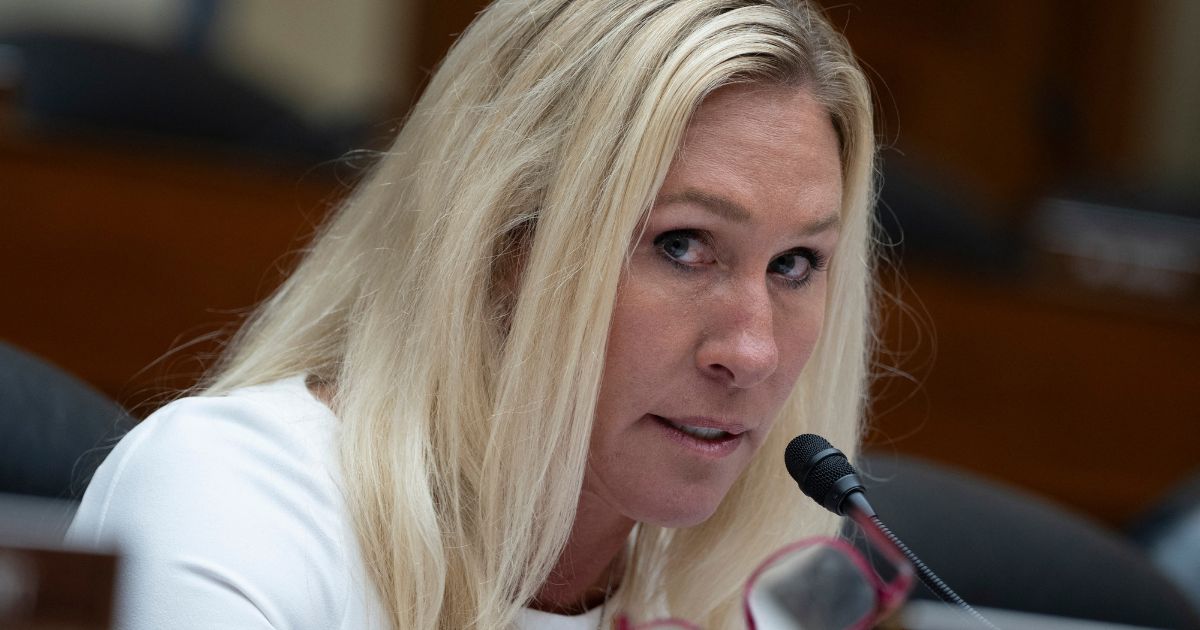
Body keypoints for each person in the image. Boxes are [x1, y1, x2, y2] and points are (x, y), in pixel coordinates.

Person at [67, 0, 876, 627]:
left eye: (795, 264)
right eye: (683, 245)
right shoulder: (231, 501)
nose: (753, 350)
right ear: (497, 246)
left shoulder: (760, 597)